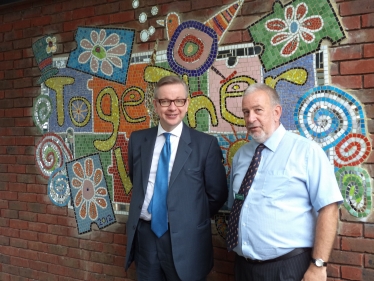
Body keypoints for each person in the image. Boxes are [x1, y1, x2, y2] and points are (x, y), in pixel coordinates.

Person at [227, 83, 343, 281]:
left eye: (257, 110)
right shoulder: (241, 155)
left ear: (276, 112)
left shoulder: (306, 152)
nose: (250, 118)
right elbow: (235, 203)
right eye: (246, 112)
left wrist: (318, 265)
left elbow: (329, 208)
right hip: (243, 267)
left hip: (287, 268)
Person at [125, 75, 228, 281]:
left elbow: (217, 194)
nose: (172, 107)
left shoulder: (205, 145)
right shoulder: (138, 140)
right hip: (146, 237)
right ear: (155, 105)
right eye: (165, 101)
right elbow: (137, 180)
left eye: (179, 100)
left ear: (187, 103)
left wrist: (188, 217)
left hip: (187, 240)